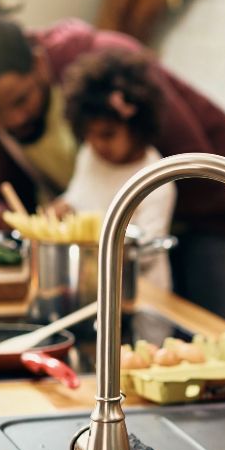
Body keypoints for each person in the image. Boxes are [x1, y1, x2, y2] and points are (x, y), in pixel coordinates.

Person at [0, 0, 225, 329]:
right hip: (133, 235)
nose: (13, 118)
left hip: (217, 204)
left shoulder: (105, 67)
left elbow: (194, 166)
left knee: (213, 328)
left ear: (38, 65)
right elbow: (14, 198)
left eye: (21, 100)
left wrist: (138, 235)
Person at [53, 48, 176, 289]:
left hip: (141, 292)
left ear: (137, 127)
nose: (98, 144)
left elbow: (147, 253)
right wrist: (63, 207)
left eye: (108, 135)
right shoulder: (89, 155)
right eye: (90, 135)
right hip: (92, 284)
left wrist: (98, 247)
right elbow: (77, 198)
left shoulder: (156, 179)